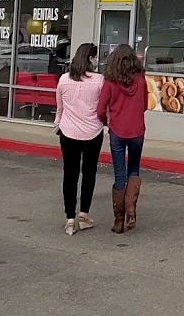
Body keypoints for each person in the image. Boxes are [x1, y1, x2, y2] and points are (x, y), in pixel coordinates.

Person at [54, 43, 105, 236]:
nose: (97, 60)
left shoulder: (64, 79)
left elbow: (60, 107)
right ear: (90, 58)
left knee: (70, 173)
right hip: (93, 130)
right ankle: (84, 214)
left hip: (68, 131)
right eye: (95, 57)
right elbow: (102, 108)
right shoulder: (99, 80)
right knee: (89, 172)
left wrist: (57, 123)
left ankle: (69, 218)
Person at [97, 44, 149, 234]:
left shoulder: (110, 82)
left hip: (117, 131)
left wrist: (107, 122)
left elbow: (100, 109)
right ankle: (131, 209)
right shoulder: (141, 80)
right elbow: (144, 105)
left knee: (120, 174)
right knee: (134, 169)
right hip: (137, 131)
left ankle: (118, 221)